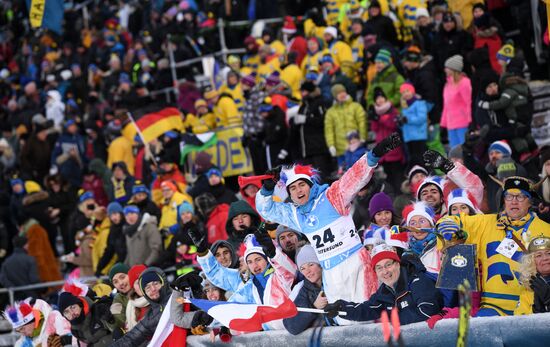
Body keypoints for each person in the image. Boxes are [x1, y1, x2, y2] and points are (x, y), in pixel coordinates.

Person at [256, 133, 402, 305]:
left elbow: (354, 177)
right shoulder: (296, 214)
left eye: (302, 185)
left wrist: (374, 154)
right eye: (293, 188)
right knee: (342, 320)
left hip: (355, 265)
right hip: (331, 273)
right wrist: (266, 190)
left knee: (368, 311)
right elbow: (267, 209)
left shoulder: (330, 196)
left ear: (311, 185)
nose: (298, 190)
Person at [436, 176, 550, 316]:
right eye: (509, 196)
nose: (514, 201)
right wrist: (447, 223)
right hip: (492, 306)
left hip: (532, 305)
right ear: (503, 200)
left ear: (529, 202)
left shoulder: (546, 229)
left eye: (520, 197)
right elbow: (459, 220)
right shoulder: (485, 223)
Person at [324, 244, 443, 324]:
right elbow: (367, 309)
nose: (385, 271)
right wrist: (341, 308)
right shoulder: (385, 291)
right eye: (379, 268)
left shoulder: (417, 281)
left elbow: (427, 311)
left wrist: (394, 319)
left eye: (388, 265)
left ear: (397, 264)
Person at [110, 267, 173, 346]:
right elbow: (132, 337)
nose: (153, 289)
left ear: (163, 283)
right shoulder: (151, 314)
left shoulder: (176, 298)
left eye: (156, 283)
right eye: (147, 287)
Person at [283, 245, 333, 335]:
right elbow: (291, 326)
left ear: (320, 264)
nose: (307, 271)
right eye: (303, 268)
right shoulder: (304, 290)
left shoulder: (335, 281)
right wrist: (313, 307)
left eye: (311, 264)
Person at [324, 84, 366, 167]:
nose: (342, 94)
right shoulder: (330, 112)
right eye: (339, 93)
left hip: (356, 146)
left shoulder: (355, 106)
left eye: (343, 92)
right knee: (345, 174)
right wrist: (331, 145)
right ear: (335, 96)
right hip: (341, 149)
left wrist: (362, 137)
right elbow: (329, 130)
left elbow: (362, 122)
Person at [4, 299, 72, 347]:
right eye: (18, 331)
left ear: (32, 322)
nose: (22, 333)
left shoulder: (54, 319)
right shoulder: (21, 343)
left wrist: (64, 340)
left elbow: (74, 340)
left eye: (22, 328)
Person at [441, 55, 472, 148]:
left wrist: (470, 120)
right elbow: (446, 105)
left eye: (447, 68)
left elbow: (469, 102)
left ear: (453, 69)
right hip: (451, 124)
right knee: (454, 153)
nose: (445, 70)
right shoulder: (448, 84)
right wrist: (443, 123)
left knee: (464, 150)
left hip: (463, 123)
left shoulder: (465, 83)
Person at [516, 236, 550, 315]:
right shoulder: (528, 290)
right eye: (539, 255)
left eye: (549, 253)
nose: (545, 258)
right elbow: (520, 322)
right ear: (531, 262)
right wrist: (537, 311)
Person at [0, 236, 40, 300]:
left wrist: (13, 288)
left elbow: (2, 279)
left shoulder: (6, 262)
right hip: (31, 297)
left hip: (15, 298)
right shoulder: (30, 259)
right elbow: (34, 280)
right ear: (25, 245)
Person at [399, 82, 428, 164]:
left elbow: (422, 118)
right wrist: (401, 123)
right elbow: (405, 122)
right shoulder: (404, 106)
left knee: (421, 158)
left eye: (407, 91)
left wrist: (408, 119)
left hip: (419, 136)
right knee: (413, 159)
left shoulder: (419, 103)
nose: (406, 94)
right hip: (408, 137)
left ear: (412, 91)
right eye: (403, 92)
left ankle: (426, 173)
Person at [95, 203, 127, 276]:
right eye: (111, 215)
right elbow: (109, 251)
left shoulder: (128, 226)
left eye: (115, 214)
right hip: (121, 262)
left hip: (131, 262)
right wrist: (100, 267)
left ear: (121, 214)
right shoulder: (113, 230)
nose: (113, 218)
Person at [108, 263, 132, 330]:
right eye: (115, 282)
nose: (120, 283)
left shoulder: (142, 286)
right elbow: (118, 323)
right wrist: (110, 319)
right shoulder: (118, 299)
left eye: (122, 277)